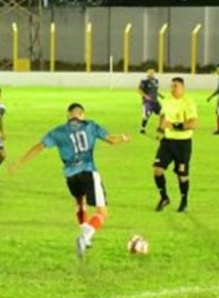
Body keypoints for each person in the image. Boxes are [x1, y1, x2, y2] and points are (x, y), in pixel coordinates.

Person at [10, 102, 130, 260]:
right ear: (82, 115)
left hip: (70, 175)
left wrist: (19, 162)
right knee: (102, 212)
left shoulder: (58, 131)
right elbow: (111, 140)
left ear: (68, 115)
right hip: (88, 171)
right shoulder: (90, 126)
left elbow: (39, 146)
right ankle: (85, 237)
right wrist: (123, 138)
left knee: (80, 201)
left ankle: (84, 235)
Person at [153, 76, 198, 212]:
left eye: (176, 86)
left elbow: (193, 124)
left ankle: (184, 200)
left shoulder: (188, 103)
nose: (173, 89)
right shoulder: (167, 99)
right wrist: (160, 129)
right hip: (167, 141)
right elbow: (163, 115)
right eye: (172, 86)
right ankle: (164, 197)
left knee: (182, 175)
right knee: (157, 170)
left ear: (182, 87)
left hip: (183, 143)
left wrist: (173, 125)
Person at [137, 68, 161, 134]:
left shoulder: (156, 81)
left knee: (162, 114)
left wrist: (160, 95)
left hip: (155, 102)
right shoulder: (144, 81)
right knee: (146, 115)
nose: (152, 74)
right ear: (147, 74)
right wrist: (145, 96)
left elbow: (155, 90)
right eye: (150, 73)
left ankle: (160, 128)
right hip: (147, 102)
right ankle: (142, 128)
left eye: (153, 73)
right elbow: (139, 90)